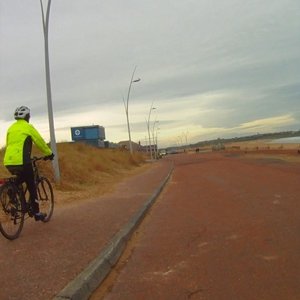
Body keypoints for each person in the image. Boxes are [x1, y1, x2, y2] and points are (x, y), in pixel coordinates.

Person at [3, 106, 54, 221]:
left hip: (8, 161)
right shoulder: (28, 127)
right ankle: (36, 213)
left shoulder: (11, 128)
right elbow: (39, 141)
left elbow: (11, 145)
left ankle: (12, 191)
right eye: (29, 116)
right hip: (22, 161)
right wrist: (49, 153)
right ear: (27, 116)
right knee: (31, 184)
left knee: (21, 178)